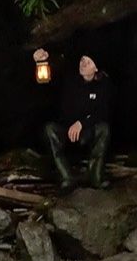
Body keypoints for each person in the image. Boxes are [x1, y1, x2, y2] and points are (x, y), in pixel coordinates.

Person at [32, 47, 114, 190]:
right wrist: (43, 59)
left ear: (96, 69)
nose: (83, 63)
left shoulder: (103, 85)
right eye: (82, 60)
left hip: (86, 132)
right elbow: (54, 70)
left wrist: (82, 123)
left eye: (88, 62)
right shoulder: (70, 79)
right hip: (66, 130)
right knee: (49, 129)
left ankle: (96, 176)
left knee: (104, 129)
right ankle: (65, 177)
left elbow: (102, 112)